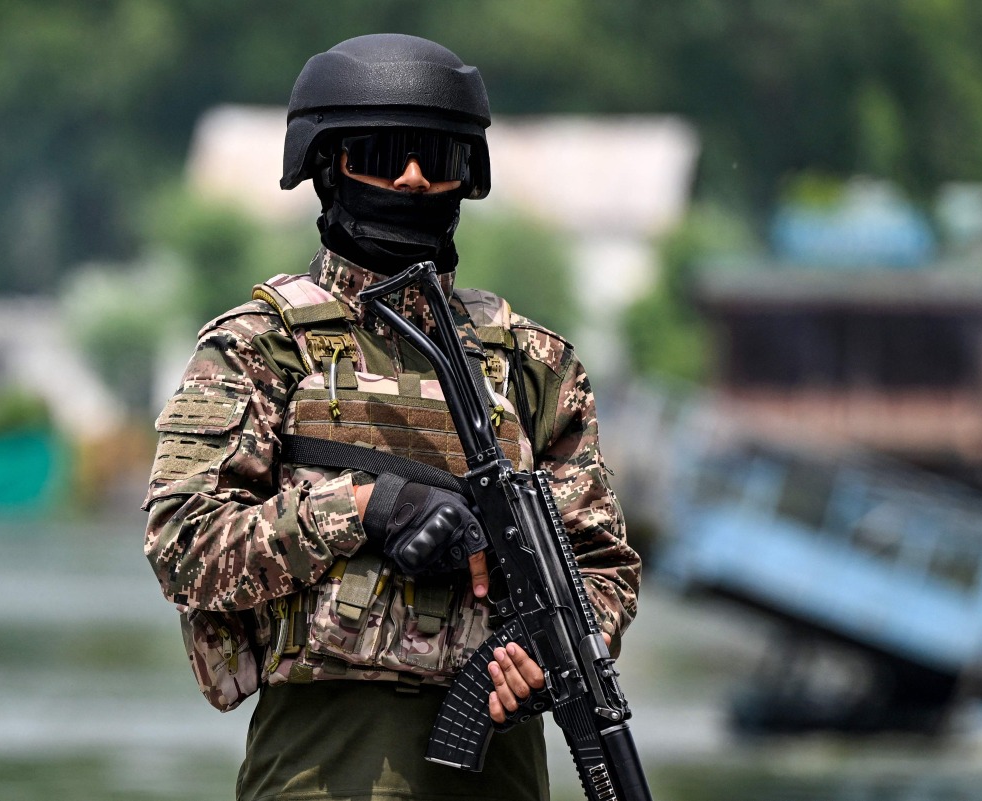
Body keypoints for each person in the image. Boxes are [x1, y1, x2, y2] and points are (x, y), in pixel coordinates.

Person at [142, 33, 641, 801]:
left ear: (464, 178)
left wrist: (547, 657)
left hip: (498, 767)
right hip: (322, 764)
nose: (410, 178)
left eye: (433, 160)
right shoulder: (262, 347)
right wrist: (367, 507)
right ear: (327, 165)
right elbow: (183, 544)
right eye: (383, 152)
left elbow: (602, 568)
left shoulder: (533, 365)